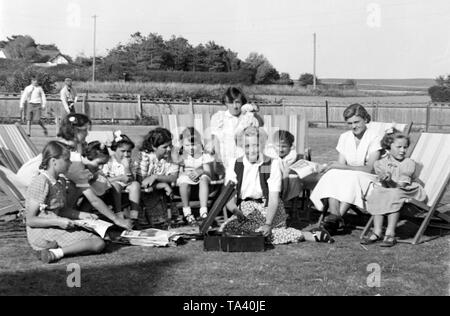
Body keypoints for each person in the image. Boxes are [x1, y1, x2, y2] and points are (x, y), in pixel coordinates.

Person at [17, 113, 133, 230]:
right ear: (75, 131)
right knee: (76, 185)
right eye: (85, 130)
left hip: (25, 179)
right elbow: (93, 199)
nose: (87, 133)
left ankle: (69, 214)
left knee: (79, 180)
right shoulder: (70, 157)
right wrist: (116, 219)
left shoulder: (61, 146)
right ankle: (63, 217)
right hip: (32, 188)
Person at [220, 126, 333, 244]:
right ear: (242, 146)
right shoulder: (234, 164)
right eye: (247, 146)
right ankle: (294, 234)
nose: (252, 150)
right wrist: (236, 211)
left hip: (268, 206)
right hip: (245, 207)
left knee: (258, 232)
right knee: (226, 230)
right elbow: (229, 198)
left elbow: (273, 198)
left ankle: (304, 235)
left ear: (263, 145)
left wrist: (268, 223)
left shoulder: (271, 163)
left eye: (256, 145)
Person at [25, 141, 105, 264]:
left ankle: (52, 247)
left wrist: (82, 215)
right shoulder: (41, 182)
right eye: (67, 160)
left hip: (54, 225)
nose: (71, 163)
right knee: (98, 243)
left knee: (97, 234)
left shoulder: (60, 181)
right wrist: (58, 221)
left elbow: (60, 209)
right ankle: (54, 253)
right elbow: (30, 220)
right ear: (54, 161)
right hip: (40, 230)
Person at [310, 104, 382, 233]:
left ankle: (335, 219)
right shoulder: (345, 137)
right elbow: (340, 167)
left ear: (365, 119)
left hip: (370, 178)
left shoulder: (375, 137)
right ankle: (335, 217)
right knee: (333, 174)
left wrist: (343, 167)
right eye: (350, 123)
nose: (353, 126)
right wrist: (333, 168)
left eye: (356, 122)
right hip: (351, 176)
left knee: (351, 177)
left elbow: (370, 168)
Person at [361, 131, 426, 247]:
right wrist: (384, 178)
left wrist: (389, 180)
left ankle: (390, 233)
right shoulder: (380, 163)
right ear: (388, 147)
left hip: (408, 191)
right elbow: (384, 184)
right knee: (377, 193)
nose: (403, 150)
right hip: (390, 190)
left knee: (394, 195)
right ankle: (377, 232)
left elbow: (401, 186)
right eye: (399, 147)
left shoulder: (408, 163)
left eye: (405, 147)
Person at [134, 127, 179, 225]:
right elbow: (142, 183)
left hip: (158, 190)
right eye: (165, 147)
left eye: (170, 146)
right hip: (144, 191)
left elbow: (174, 177)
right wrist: (163, 184)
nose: (168, 149)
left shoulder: (171, 156)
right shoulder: (145, 157)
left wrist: (155, 177)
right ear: (154, 147)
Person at [210, 87, 262, 170]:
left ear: (242, 103)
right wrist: (218, 159)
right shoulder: (218, 117)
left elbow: (259, 127)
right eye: (230, 102)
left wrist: (253, 111)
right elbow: (216, 139)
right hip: (224, 160)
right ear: (225, 103)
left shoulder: (248, 117)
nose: (234, 106)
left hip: (244, 161)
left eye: (237, 102)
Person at [176, 127, 214, 223]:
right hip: (187, 178)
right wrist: (185, 173)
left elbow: (208, 172)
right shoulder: (182, 157)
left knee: (204, 179)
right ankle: (187, 211)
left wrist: (201, 171)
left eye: (194, 144)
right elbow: (179, 172)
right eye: (187, 145)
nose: (191, 147)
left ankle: (203, 211)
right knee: (183, 182)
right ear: (182, 145)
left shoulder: (204, 156)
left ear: (199, 144)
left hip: (202, 178)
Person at [102, 131, 141, 220]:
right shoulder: (109, 161)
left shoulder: (131, 162)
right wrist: (119, 178)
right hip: (111, 186)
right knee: (116, 185)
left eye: (129, 151)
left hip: (127, 186)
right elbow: (104, 178)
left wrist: (127, 167)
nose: (126, 154)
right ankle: (118, 213)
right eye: (122, 151)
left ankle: (134, 215)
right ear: (115, 150)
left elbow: (131, 179)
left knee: (135, 184)